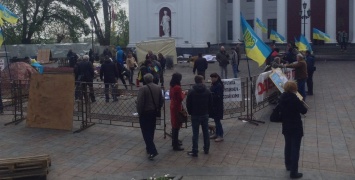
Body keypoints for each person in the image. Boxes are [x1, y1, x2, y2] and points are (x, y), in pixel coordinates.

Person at [278, 81, 308, 179]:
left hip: (286, 125)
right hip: (295, 126)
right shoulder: (295, 99)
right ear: (294, 89)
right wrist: (300, 100)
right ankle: (294, 172)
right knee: (295, 148)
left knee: (288, 146)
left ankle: (288, 165)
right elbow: (304, 110)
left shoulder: (282, 98)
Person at [136, 73, 164, 160]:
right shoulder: (158, 87)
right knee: (151, 130)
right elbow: (161, 99)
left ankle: (152, 150)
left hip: (145, 113)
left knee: (145, 132)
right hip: (154, 112)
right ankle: (149, 147)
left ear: (145, 80)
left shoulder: (143, 89)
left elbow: (140, 102)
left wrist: (139, 112)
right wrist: (158, 107)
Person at [186, 75, 213, 157]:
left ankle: (195, 150)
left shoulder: (191, 91)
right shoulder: (207, 90)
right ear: (202, 81)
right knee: (205, 132)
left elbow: (188, 103)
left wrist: (190, 112)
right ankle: (206, 148)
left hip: (195, 114)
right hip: (204, 114)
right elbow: (210, 103)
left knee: (195, 133)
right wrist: (208, 111)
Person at [169, 73, 185, 151]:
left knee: (174, 124)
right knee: (177, 125)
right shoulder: (178, 87)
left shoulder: (171, 86)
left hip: (172, 106)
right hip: (177, 107)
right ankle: (175, 145)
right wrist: (184, 93)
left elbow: (170, 96)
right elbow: (180, 98)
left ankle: (174, 142)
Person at [209, 73, 224, 142]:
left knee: (217, 121)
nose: (212, 79)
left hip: (218, 106)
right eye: (211, 78)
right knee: (216, 120)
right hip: (214, 105)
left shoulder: (219, 85)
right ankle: (217, 133)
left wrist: (211, 95)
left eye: (213, 78)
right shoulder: (214, 84)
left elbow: (218, 96)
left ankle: (220, 135)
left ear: (217, 77)